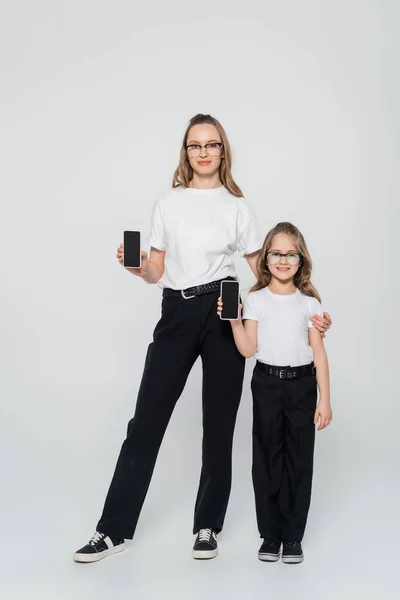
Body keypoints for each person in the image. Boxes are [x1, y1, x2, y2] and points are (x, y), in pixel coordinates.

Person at [73, 115, 331, 563]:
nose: (204, 152)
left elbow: (266, 272)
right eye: (195, 145)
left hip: (223, 307)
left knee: (219, 424)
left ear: (223, 151)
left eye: (212, 144)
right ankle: (112, 530)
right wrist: (137, 268)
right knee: (146, 422)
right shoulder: (167, 203)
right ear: (186, 152)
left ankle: (207, 525)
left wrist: (307, 307)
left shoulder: (238, 207)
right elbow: (156, 269)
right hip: (176, 308)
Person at [217, 221, 332, 564]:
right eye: (276, 253)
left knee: (299, 461)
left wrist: (325, 398)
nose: (283, 260)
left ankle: (292, 537)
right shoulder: (254, 300)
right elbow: (248, 349)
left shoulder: (310, 305)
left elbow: (320, 354)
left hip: (301, 386)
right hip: (266, 384)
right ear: (265, 258)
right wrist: (235, 320)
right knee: (266, 459)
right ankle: (270, 535)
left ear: (301, 260)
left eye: (291, 254)